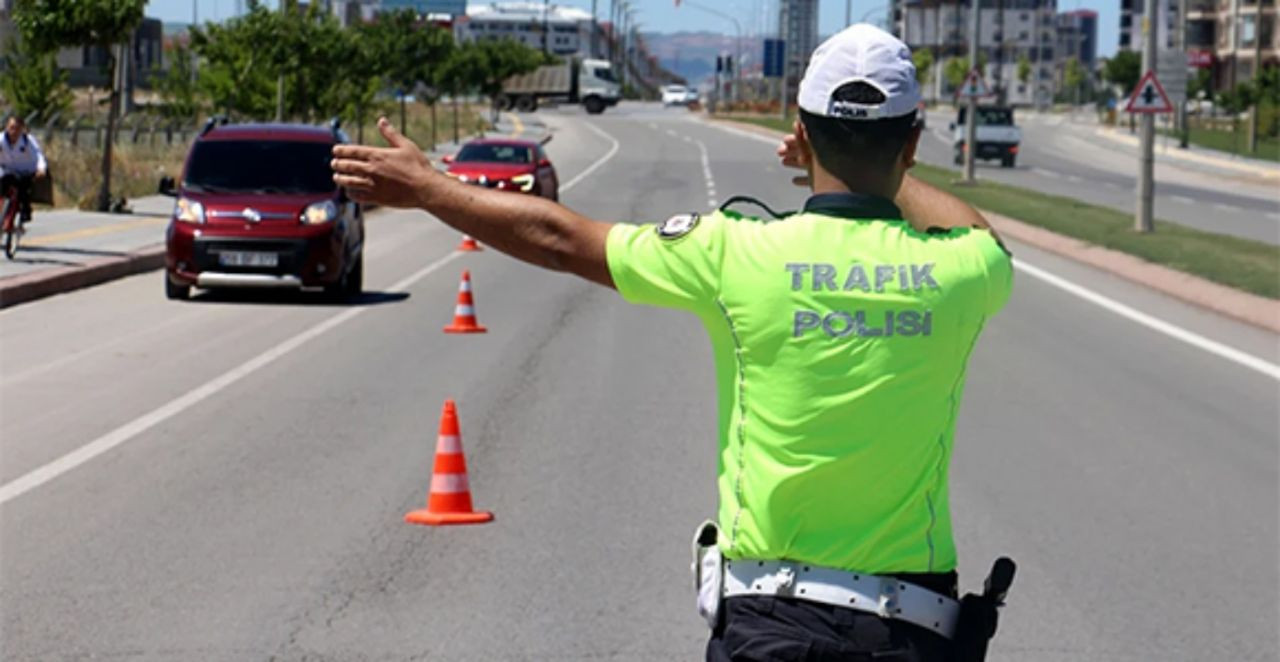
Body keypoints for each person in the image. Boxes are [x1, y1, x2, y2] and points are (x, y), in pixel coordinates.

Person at [332, 23, 1012, 661]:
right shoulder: (962, 270)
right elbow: (979, 233)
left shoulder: (734, 252)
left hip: (771, 627)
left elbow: (562, 240)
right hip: (913, 631)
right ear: (913, 144)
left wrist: (429, 189)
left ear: (799, 131)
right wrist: (880, 170)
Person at [0, 114, 48, 224]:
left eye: (17, 128)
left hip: (25, 170)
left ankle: (25, 211)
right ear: (7, 127)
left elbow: (38, 155)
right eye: (11, 127)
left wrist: (41, 169)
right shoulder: (1, 140)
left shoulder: (27, 141)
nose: (14, 131)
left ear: (22, 129)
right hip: (6, 169)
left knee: (23, 190)